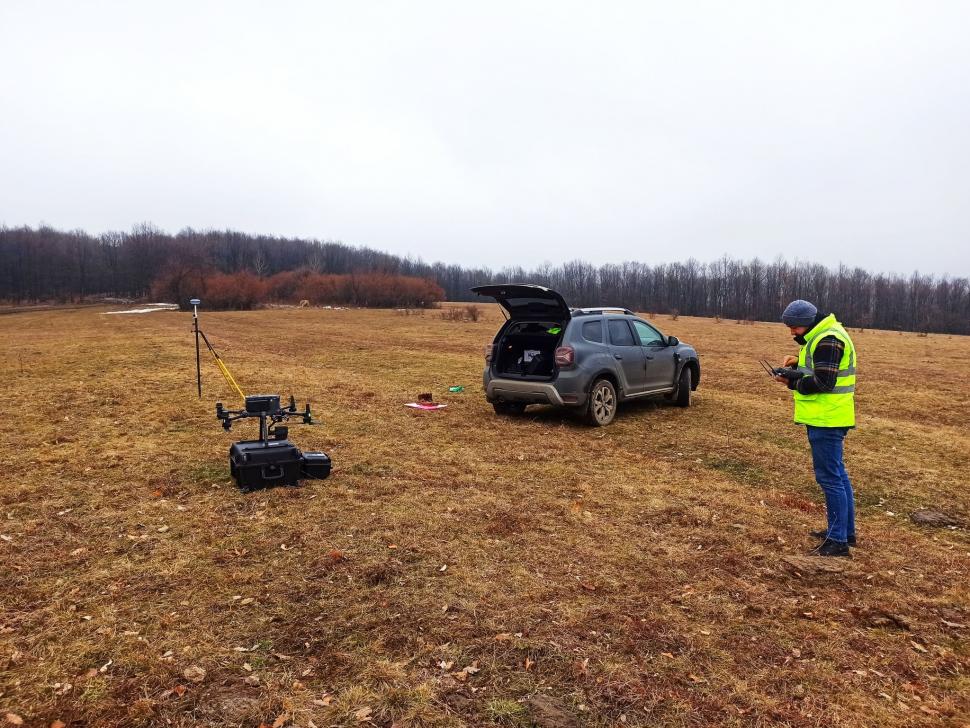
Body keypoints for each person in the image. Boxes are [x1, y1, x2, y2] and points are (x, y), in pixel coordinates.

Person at [774, 299, 858, 558]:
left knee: (830, 478)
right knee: (838, 475)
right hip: (829, 416)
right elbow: (818, 367)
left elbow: (823, 382)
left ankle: (837, 541)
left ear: (807, 323)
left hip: (827, 419)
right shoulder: (823, 334)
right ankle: (845, 532)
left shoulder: (828, 339)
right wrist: (797, 365)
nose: (792, 333)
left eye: (795, 328)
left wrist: (790, 382)